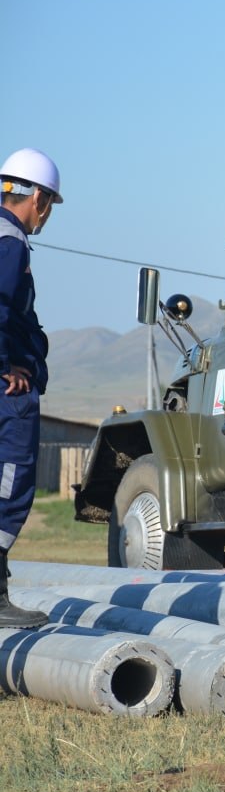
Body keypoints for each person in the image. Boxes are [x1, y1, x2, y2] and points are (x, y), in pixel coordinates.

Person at [0, 148, 62, 627]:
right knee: (11, 482)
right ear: (37, 197)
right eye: (50, 205)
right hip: (8, 394)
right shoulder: (10, 240)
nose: (47, 216)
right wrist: (6, 365)